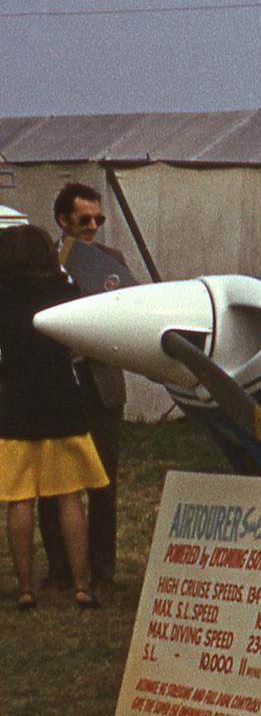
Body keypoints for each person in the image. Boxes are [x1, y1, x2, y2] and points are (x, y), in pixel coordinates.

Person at [0, 225, 107, 609]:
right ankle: (82, 585)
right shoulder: (65, 293)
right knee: (69, 499)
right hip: (62, 404)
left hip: (14, 407)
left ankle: (27, 589)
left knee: (20, 502)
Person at [42, 182, 124, 586]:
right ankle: (60, 568)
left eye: (98, 219)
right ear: (63, 221)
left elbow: (132, 315)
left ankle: (103, 569)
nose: (93, 226)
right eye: (84, 219)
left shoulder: (113, 261)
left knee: (104, 481)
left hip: (102, 385)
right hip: (55, 386)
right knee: (54, 481)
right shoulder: (42, 263)